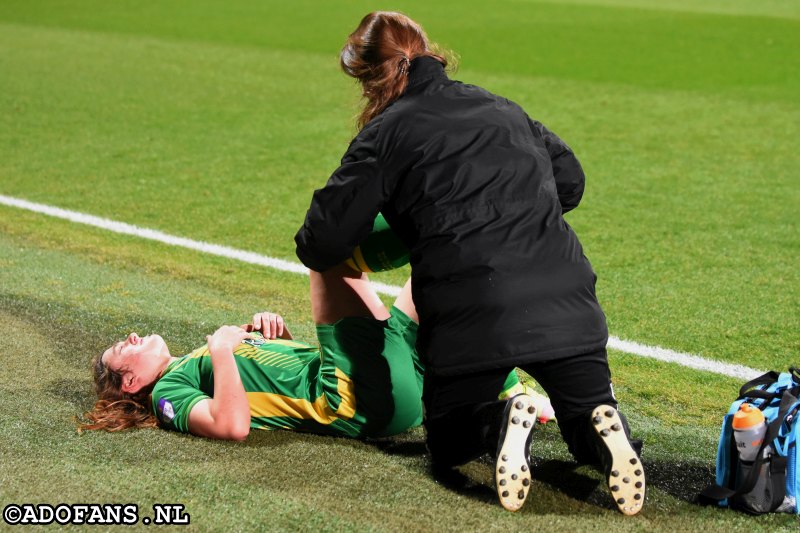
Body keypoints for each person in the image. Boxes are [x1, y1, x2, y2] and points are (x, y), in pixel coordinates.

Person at [294, 11, 645, 515]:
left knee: (451, 438)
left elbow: (322, 243)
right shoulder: (501, 106)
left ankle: (499, 424)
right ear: (430, 52)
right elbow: (570, 183)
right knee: (585, 409)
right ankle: (601, 428)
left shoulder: (385, 133)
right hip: (569, 303)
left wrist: (410, 227)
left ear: (370, 77)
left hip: (474, 318)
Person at [81, 263, 531, 440]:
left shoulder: (193, 361)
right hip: (353, 399)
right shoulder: (168, 394)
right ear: (131, 382)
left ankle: (509, 391)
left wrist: (270, 336)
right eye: (125, 347)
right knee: (327, 249)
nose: (134, 336)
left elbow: (272, 385)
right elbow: (232, 425)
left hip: (385, 386)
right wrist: (221, 349)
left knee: (444, 268)